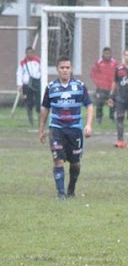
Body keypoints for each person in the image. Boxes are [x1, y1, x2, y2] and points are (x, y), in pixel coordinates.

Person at [38, 56, 94, 200]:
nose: (65, 70)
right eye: (62, 68)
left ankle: (71, 190)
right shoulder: (51, 88)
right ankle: (61, 193)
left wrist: (88, 125)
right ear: (57, 69)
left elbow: (89, 105)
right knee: (58, 160)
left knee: (75, 162)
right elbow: (45, 108)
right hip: (57, 129)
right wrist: (41, 129)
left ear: (71, 69)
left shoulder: (79, 86)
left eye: (67, 67)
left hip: (75, 129)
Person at [89, 47, 117, 125]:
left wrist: (115, 84)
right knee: (99, 103)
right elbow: (93, 74)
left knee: (112, 103)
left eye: (108, 53)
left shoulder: (114, 63)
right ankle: (99, 118)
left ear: (111, 54)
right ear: (103, 54)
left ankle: (112, 118)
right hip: (101, 88)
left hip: (111, 88)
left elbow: (118, 74)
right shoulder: (99, 63)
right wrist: (98, 83)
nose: (107, 55)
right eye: (105, 53)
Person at [16, 46, 42, 126]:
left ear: (33, 53)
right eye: (28, 53)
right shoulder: (22, 62)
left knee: (38, 102)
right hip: (27, 85)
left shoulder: (38, 61)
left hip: (36, 84)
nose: (29, 54)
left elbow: (42, 71)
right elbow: (19, 73)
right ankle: (31, 121)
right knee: (29, 102)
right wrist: (19, 84)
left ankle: (40, 119)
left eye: (31, 53)